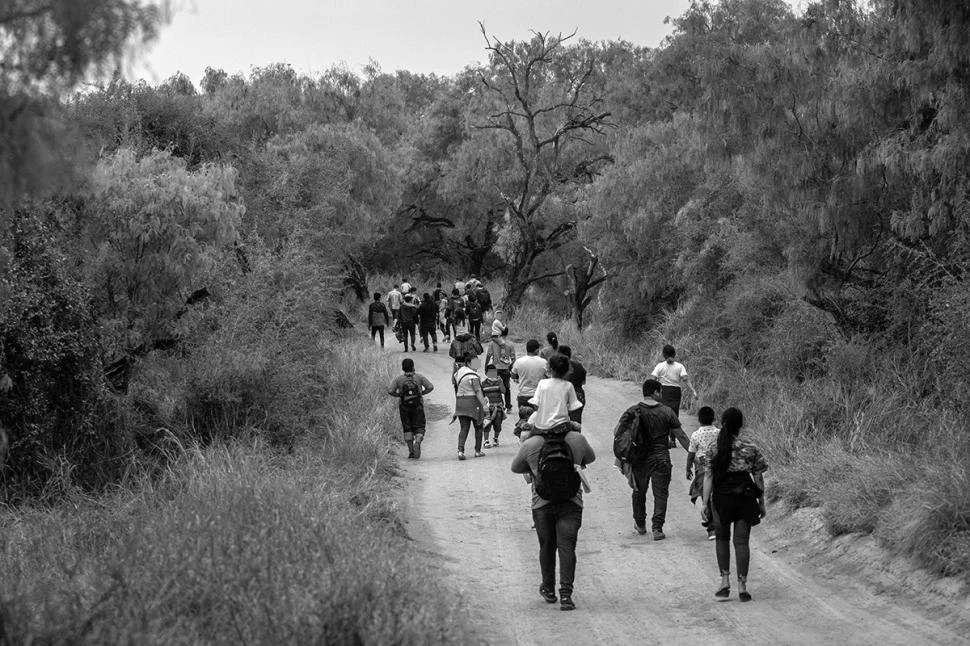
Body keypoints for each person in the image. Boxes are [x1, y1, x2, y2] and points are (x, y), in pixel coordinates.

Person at [511, 354, 595, 612]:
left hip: (542, 501)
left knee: (546, 545)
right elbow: (589, 458)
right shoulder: (575, 439)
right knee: (567, 547)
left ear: (548, 370)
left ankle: (548, 588)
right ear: (567, 370)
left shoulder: (532, 442)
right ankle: (567, 594)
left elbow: (516, 467)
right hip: (571, 500)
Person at [702, 407, 768, 602]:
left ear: (722, 423)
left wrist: (705, 503)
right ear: (741, 425)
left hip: (722, 498)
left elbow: (708, 476)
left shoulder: (714, 447)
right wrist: (761, 502)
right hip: (745, 497)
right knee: (741, 542)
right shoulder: (751, 447)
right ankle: (742, 585)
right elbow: (758, 476)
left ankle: (724, 582)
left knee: (722, 539)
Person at [623, 378, 690, 540]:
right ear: (655, 392)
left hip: (639, 459)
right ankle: (657, 528)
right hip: (661, 458)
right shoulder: (667, 412)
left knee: (639, 491)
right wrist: (693, 455)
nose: (661, 395)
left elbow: (618, 432)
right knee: (661, 494)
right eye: (660, 392)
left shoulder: (633, 411)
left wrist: (623, 457)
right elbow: (680, 435)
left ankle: (640, 524)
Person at [650, 345, 698, 446]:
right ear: (674, 354)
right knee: (674, 415)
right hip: (675, 392)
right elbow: (685, 379)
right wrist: (693, 391)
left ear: (663, 355)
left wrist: (650, 393)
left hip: (663, 391)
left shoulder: (660, 366)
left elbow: (652, 379)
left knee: (662, 414)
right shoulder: (679, 366)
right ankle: (672, 439)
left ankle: (664, 438)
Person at [386, 358, 434, 459]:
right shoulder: (419, 377)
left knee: (407, 427)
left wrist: (399, 395)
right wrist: (421, 394)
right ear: (413, 366)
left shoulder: (399, 379)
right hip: (418, 405)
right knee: (420, 426)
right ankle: (418, 440)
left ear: (403, 367)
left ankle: (411, 451)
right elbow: (430, 387)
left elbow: (390, 390)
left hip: (404, 406)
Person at [686, 406, 720, 540]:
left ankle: (711, 527)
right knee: (716, 496)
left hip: (702, 467)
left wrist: (687, 468)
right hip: (717, 466)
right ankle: (718, 524)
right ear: (714, 418)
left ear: (699, 420)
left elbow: (691, 454)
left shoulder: (695, 435)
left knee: (705, 496)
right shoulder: (719, 432)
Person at [453, 353, 489, 460]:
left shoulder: (459, 372)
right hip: (473, 402)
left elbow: (454, 382)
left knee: (464, 428)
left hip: (460, 402)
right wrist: (484, 404)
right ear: (469, 363)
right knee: (478, 426)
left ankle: (460, 451)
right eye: (475, 363)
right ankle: (477, 451)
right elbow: (477, 390)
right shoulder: (473, 375)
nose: (478, 365)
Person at [510, 339, 547, 409]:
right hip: (537, 396)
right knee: (537, 418)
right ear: (536, 350)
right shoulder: (543, 362)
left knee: (524, 418)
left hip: (523, 395)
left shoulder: (519, 362)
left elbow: (513, 375)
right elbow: (548, 376)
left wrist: (518, 378)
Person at [485, 328, 515, 411]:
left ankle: (496, 405)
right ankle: (508, 406)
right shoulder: (510, 344)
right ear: (507, 333)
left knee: (492, 386)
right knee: (506, 387)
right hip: (505, 368)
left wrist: (486, 366)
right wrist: (510, 368)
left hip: (493, 368)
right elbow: (513, 359)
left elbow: (488, 355)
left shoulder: (492, 343)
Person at [557, 345, 587, 424]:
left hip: (562, 395)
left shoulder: (557, 367)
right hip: (578, 395)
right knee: (576, 423)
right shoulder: (579, 366)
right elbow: (583, 382)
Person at [481, 364, 506, 447]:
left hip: (498, 406)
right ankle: (486, 441)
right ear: (486, 373)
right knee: (487, 424)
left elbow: (503, 391)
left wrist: (501, 383)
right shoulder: (483, 383)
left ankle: (495, 438)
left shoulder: (499, 381)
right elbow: (481, 395)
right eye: (490, 373)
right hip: (488, 408)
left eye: (493, 373)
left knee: (498, 424)